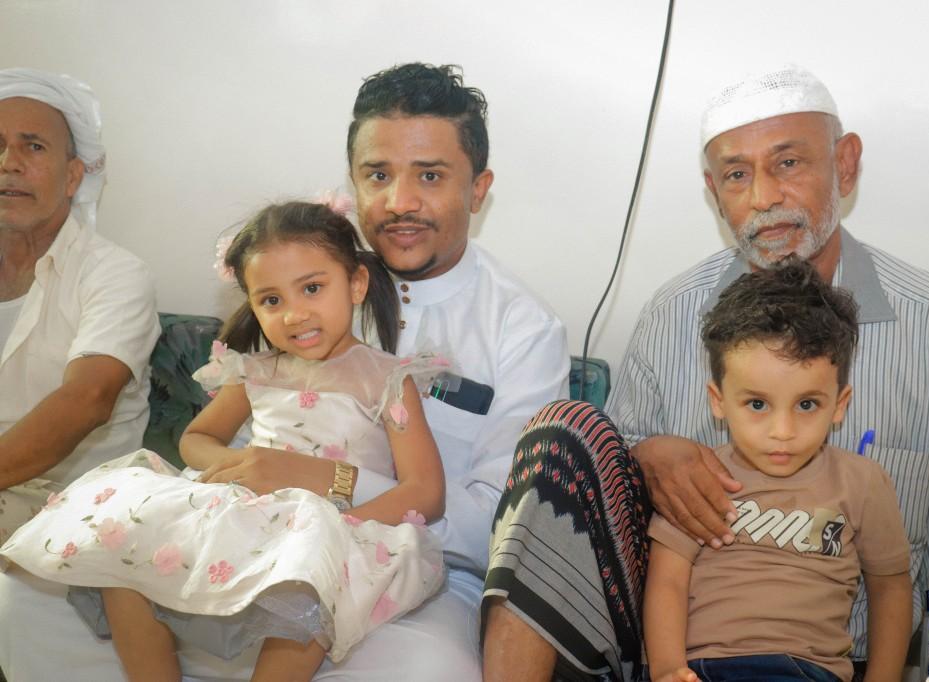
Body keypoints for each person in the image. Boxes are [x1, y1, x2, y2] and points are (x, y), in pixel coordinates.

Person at [0, 63, 570, 681]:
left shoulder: (523, 329)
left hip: (405, 569)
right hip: (244, 538)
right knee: (24, 604)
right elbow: (235, 442)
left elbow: (498, 527)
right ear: (353, 181)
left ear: (478, 189)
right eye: (378, 175)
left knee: (424, 672)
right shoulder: (299, 282)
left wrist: (332, 486)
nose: (399, 202)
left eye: (430, 176)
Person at [483, 64, 929, 681]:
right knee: (561, 433)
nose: (763, 197)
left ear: (845, 164)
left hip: (844, 664)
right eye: (736, 175)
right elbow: (601, 501)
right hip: (685, 660)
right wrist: (645, 454)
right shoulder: (672, 314)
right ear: (713, 189)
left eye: (788, 163)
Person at [2, 199, 449, 681]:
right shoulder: (255, 372)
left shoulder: (386, 379)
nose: (294, 315)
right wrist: (236, 465)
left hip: (334, 524)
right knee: (125, 541)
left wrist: (343, 526)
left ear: (356, 283)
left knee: (310, 577)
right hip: (253, 512)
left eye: (312, 288)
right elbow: (196, 438)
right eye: (271, 300)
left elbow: (426, 491)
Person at [644, 262, 911, 682]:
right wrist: (666, 670)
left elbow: (891, 588)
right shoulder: (697, 476)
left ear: (839, 404)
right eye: (757, 404)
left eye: (806, 405)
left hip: (807, 671)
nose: (782, 432)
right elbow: (667, 581)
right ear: (718, 400)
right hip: (703, 669)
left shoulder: (862, 483)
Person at [0, 68, 159, 544]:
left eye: (33, 146)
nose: (9, 162)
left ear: (73, 176)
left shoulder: (115, 274)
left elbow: (86, 401)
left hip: (74, 504)